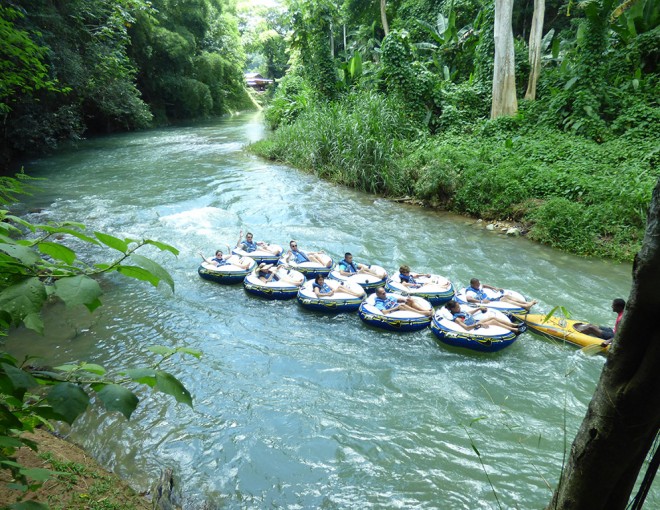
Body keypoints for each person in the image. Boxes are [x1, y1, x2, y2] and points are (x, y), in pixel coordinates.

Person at [444, 300, 520, 333]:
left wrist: (478, 308)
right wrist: (478, 324)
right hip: (473, 327)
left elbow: (468, 314)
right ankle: (513, 329)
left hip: (476, 322)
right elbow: (466, 328)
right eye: (457, 307)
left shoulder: (460, 312)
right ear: (453, 309)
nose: (459, 308)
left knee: (493, 318)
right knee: (493, 321)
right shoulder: (457, 318)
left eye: (459, 306)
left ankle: (514, 325)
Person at [465, 278, 537, 311]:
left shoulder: (478, 285)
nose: (478, 285)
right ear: (472, 284)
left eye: (478, 284)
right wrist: (481, 302)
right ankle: (525, 306)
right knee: (504, 299)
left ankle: (526, 303)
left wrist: (494, 288)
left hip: (489, 298)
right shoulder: (470, 291)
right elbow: (469, 299)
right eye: (476, 285)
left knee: (507, 296)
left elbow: (483, 285)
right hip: (487, 302)